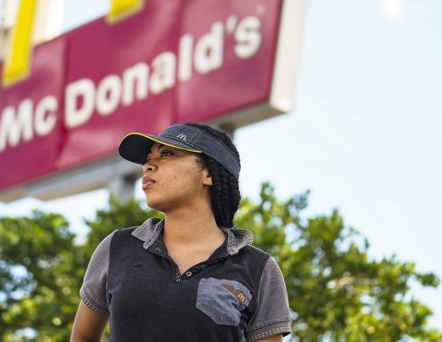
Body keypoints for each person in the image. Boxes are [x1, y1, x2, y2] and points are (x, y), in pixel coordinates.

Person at [70, 122, 292, 342]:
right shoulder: (117, 247)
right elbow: (83, 336)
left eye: (166, 154)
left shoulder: (259, 268)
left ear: (209, 174)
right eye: (148, 159)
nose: (147, 166)